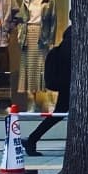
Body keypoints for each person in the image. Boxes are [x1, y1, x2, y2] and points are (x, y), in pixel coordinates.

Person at [23, 25, 71, 156]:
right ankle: (32, 139)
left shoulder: (66, 40)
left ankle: (32, 139)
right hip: (70, 85)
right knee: (59, 115)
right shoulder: (74, 39)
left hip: (66, 85)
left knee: (58, 115)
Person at [17, 0, 57, 113]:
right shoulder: (26, 0)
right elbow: (21, 19)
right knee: (29, 71)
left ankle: (50, 101)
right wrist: (20, 35)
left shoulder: (49, 1)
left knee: (44, 69)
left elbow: (53, 22)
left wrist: (51, 41)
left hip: (42, 36)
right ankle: (31, 102)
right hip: (28, 36)